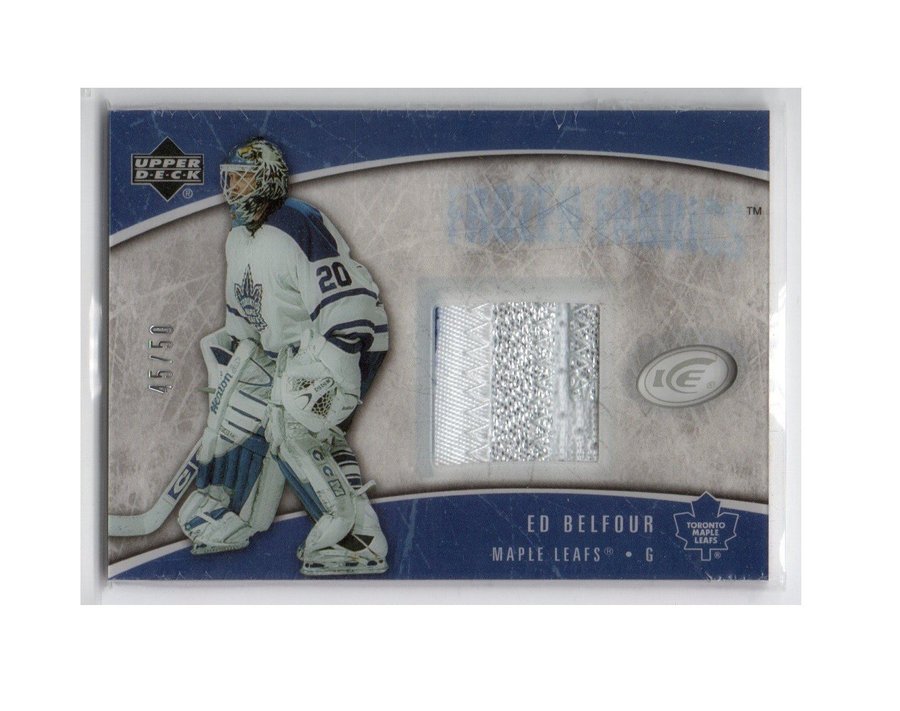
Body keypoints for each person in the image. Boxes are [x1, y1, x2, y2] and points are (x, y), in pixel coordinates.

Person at [177, 137, 390, 576]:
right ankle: (235, 515)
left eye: (243, 179)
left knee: (295, 424)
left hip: (346, 340)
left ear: (268, 181)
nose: (233, 189)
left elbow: (350, 303)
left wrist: (334, 361)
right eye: (230, 179)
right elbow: (246, 325)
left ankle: (355, 536)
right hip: (292, 354)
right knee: (251, 414)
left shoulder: (297, 222)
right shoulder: (238, 240)